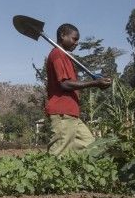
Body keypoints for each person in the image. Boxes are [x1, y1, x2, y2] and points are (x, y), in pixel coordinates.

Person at [45, 24, 112, 155]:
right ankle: (46, 174)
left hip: (72, 113)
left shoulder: (66, 56)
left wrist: (97, 82)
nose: (76, 43)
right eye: (74, 39)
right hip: (62, 112)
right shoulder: (58, 54)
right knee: (58, 152)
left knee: (91, 146)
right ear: (62, 35)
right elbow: (64, 84)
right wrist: (95, 83)